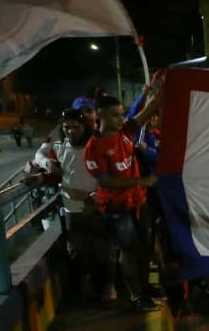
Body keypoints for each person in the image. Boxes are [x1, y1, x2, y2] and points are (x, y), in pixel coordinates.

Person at [84, 94, 161, 311]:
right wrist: (141, 180)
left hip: (139, 202)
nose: (120, 119)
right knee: (129, 250)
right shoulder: (94, 148)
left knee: (146, 248)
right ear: (99, 115)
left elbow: (146, 112)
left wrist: (158, 94)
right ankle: (137, 296)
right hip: (117, 208)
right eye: (115, 115)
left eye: (122, 114)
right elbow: (105, 181)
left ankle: (147, 288)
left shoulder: (126, 131)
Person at [46, 109, 111, 300]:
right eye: (67, 127)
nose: (71, 131)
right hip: (72, 211)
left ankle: (104, 291)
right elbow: (40, 156)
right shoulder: (58, 147)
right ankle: (84, 293)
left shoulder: (96, 146)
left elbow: (110, 175)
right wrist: (46, 163)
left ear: (85, 127)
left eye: (76, 127)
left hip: (97, 207)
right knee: (78, 254)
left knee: (103, 253)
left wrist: (95, 198)